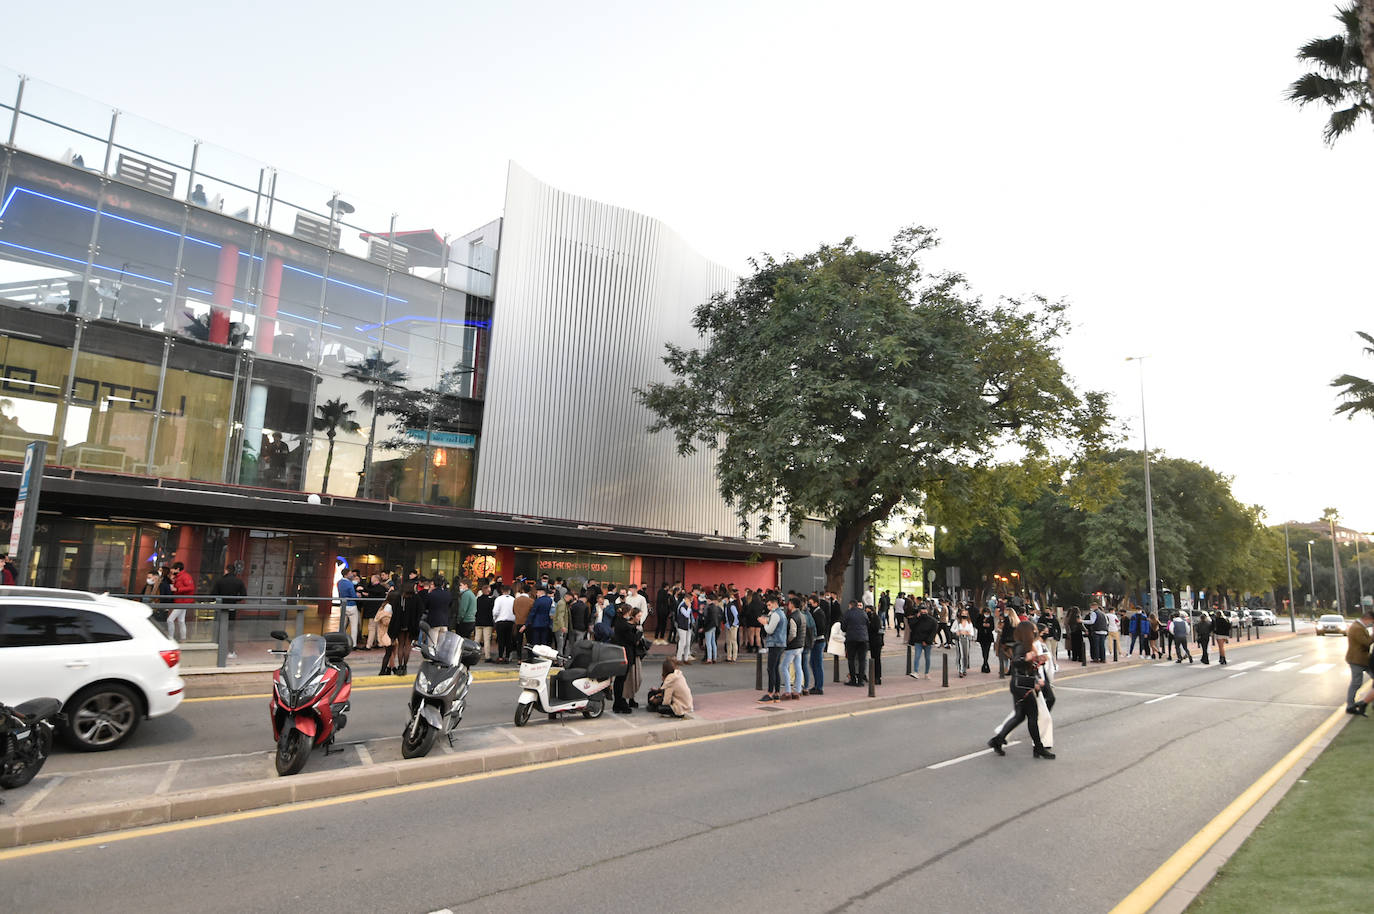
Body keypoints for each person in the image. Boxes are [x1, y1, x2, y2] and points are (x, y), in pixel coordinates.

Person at [987, 620, 1055, 760]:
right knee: (1032, 716)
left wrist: (1037, 663)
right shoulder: (1021, 646)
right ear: (1027, 632)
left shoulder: (1028, 646)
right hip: (1022, 686)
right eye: (1033, 630)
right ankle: (1038, 747)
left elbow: (1029, 666)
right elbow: (1016, 662)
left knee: (1019, 716)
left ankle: (998, 740)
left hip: (1023, 684)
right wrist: (1026, 658)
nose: (1035, 632)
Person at [210, 563, 247, 659]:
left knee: (219, 629)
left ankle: (218, 650)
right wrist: (234, 600)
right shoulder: (239, 582)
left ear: (226, 570)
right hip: (232, 608)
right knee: (230, 630)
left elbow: (213, 594)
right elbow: (243, 595)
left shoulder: (220, 581)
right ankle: (230, 651)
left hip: (220, 608)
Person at [1344, 605, 1373, 715]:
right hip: (1357, 660)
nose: (1371, 624)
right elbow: (1366, 642)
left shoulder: (1360, 627)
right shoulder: (1357, 628)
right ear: (1367, 619)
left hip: (1363, 659)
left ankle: (1365, 701)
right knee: (1356, 683)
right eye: (1371, 622)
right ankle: (1350, 706)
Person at [758, 595, 787, 701]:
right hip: (780, 643)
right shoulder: (781, 613)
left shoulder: (775, 615)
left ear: (775, 603)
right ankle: (777, 693)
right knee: (775, 668)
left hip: (775, 644)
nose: (768, 607)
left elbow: (770, 630)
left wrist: (765, 623)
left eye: (769, 605)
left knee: (771, 668)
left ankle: (770, 693)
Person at [612, 604, 639, 714]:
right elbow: (633, 640)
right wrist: (639, 633)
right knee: (621, 680)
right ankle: (620, 702)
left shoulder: (618, 622)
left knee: (619, 680)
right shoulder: (625, 626)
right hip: (625, 654)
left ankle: (617, 703)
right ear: (627, 613)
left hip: (619, 653)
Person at [780, 596, 808, 699]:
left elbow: (792, 633)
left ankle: (787, 691)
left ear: (792, 605)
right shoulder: (803, 616)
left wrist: (787, 642)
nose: (788, 605)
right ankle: (797, 691)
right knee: (798, 667)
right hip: (800, 646)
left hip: (792, 647)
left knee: (783, 667)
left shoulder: (792, 617)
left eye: (789, 603)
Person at [842, 598, 869, 687]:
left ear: (850, 605)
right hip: (863, 639)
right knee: (862, 660)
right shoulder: (863, 613)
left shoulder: (848, 613)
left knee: (851, 660)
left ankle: (853, 679)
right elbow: (867, 624)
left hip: (851, 639)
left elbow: (843, 627)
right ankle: (860, 680)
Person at [166, 561, 195, 641]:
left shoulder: (184, 577)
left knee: (170, 620)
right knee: (181, 621)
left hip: (182, 601)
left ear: (177, 569)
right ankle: (183, 638)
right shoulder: (181, 576)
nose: (172, 571)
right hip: (182, 601)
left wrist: (177, 589)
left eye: (173, 569)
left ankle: (171, 638)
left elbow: (191, 588)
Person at [908, 603, 937, 679]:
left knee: (927, 658)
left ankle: (927, 673)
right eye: (922, 610)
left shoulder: (932, 621)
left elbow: (933, 633)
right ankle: (916, 672)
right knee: (917, 656)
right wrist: (916, 618)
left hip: (927, 642)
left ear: (927, 611)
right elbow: (911, 626)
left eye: (925, 610)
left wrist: (927, 641)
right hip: (918, 641)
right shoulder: (917, 619)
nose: (923, 611)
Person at [806, 594, 827, 695]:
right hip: (816, 641)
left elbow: (821, 628)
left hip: (818, 641)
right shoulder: (815, 612)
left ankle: (819, 687)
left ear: (816, 603)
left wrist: (813, 634)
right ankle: (816, 685)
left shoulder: (819, 613)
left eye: (811, 603)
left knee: (817, 664)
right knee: (813, 663)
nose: (809, 605)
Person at [492, 585, 517, 662]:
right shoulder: (513, 599)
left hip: (500, 621)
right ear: (509, 591)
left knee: (501, 640)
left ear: (502, 591)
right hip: (510, 622)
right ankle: (507, 656)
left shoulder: (498, 599)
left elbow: (495, 611)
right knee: (508, 639)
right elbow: (515, 611)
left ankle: (500, 656)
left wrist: (495, 619)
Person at [674, 589, 695, 663]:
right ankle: (678, 659)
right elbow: (686, 615)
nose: (691, 602)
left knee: (688, 643)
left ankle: (686, 658)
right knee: (682, 642)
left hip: (688, 626)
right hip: (682, 626)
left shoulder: (686, 605)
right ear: (686, 599)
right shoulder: (682, 606)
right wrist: (689, 608)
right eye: (690, 600)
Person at [866, 600, 884, 685]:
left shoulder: (876, 618)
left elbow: (875, 628)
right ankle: (874, 676)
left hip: (876, 642)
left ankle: (877, 677)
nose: (867, 613)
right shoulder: (873, 618)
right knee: (874, 659)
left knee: (876, 659)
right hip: (873, 641)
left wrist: (869, 624)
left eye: (868, 611)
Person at [953, 610, 975, 677]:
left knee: (965, 655)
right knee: (960, 655)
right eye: (963, 613)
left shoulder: (969, 622)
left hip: (966, 639)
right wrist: (957, 631)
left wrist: (967, 632)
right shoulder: (957, 621)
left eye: (965, 613)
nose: (964, 615)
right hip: (959, 639)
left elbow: (972, 632)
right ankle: (960, 670)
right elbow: (952, 629)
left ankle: (964, 669)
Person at [976, 605, 996, 673]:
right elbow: (977, 625)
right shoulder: (980, 617)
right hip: (981, 636)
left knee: (987, 651)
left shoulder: (991, 618)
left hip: (988, 636)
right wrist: (982, 624)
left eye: (988, 613)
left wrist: (988, 626)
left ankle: (985, 664)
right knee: (983, 650)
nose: (987, 614)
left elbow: (993, 627)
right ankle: (985, 664)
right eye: (985, 613)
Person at [721, 591, 740, 662]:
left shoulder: (732, 606)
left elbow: (736, 616)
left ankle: (734, 657)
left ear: (727, 598)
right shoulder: (726, 606)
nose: (723, 600)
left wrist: (733, 625)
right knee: (728, 642)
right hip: (728, 625)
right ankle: (729, 657)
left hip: (733, 626)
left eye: (724, 598)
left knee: (733, 641)